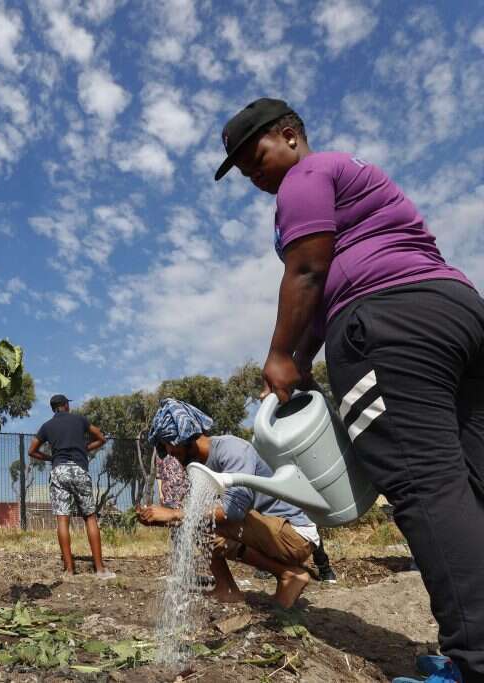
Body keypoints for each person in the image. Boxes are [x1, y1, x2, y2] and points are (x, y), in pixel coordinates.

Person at [215, 97, 483, 683]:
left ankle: (474, 663)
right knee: (471, 482)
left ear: (289, 136)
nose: (252, 175)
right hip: (457, 312)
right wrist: (303, 359)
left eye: (254, 156)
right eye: (240, 169)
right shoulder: (353, 176)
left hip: (388, 326)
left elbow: (309, 270)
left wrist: (281, 354)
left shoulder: (305, 176)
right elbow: (324, 278)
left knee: (425, 484)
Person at [139, 398, 319, 609]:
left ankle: (288, 575)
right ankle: (227, 589)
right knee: (194, 519)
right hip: (268, 531)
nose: (169, 452)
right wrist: (166, 518)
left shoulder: (232, 450)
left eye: (169, 444)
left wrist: (174, 514)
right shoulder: (199, 465)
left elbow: (232, 511)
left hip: (295, 536)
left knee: (195, 518)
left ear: (186, 437)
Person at [28, 394, 115, 580]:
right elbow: (101, 437)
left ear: (53, 408)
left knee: (62, 520)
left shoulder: (47, 426)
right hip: (79, 470)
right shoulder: (80, 420)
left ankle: (68, 570)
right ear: (66, 405)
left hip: (59, 471)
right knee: (90, 518)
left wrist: (50, 458)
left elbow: (32, 450)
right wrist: (85, 449)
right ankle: (99, 569)